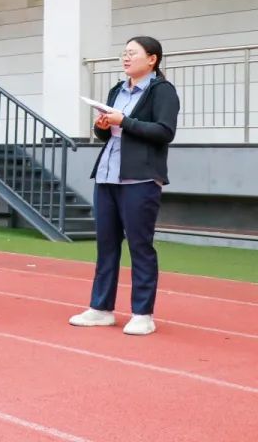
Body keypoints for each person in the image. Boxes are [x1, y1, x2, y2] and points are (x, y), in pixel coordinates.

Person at [69, 36, 179, 336]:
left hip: (140, 179)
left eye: (132, 53)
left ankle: (143, 313)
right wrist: (102, 126)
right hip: (107, 176)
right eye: (124, 53)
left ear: (152, 59)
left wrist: (125, 121)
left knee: (140, 246)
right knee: (106, 246)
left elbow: (164, 131)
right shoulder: (117, 89)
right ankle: (101, 308)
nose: (126, 58)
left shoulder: (163, 91)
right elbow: (110, 134)